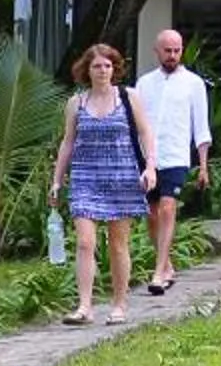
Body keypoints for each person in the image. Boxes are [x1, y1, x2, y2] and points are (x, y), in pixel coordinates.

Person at [49, 41, 157, 325]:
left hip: (122, 176)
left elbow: (146, 133)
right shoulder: (77, 103)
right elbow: (68, 142)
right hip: (86, 178)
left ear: (115, 68)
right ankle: (84, 307)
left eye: (108, 65)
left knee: (118, 244)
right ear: (87, 69)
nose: (103, 71)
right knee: (85, 243)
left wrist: (150, 167)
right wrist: (56, 181)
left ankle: (119, 304)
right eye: (97, 66)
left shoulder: (128, 97)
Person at [133, 27, 212, 296]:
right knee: (152, 215)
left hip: (177, 155)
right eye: (167, 50)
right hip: (148, 158)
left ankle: (158, 273)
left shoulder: (193, 83)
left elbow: (201, 127)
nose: (172, 55)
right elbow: (137, 124)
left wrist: (203, 165)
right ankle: (166, 265)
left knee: (168, 207)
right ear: (157, 51)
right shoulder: (143, 84)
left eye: (177, 50)